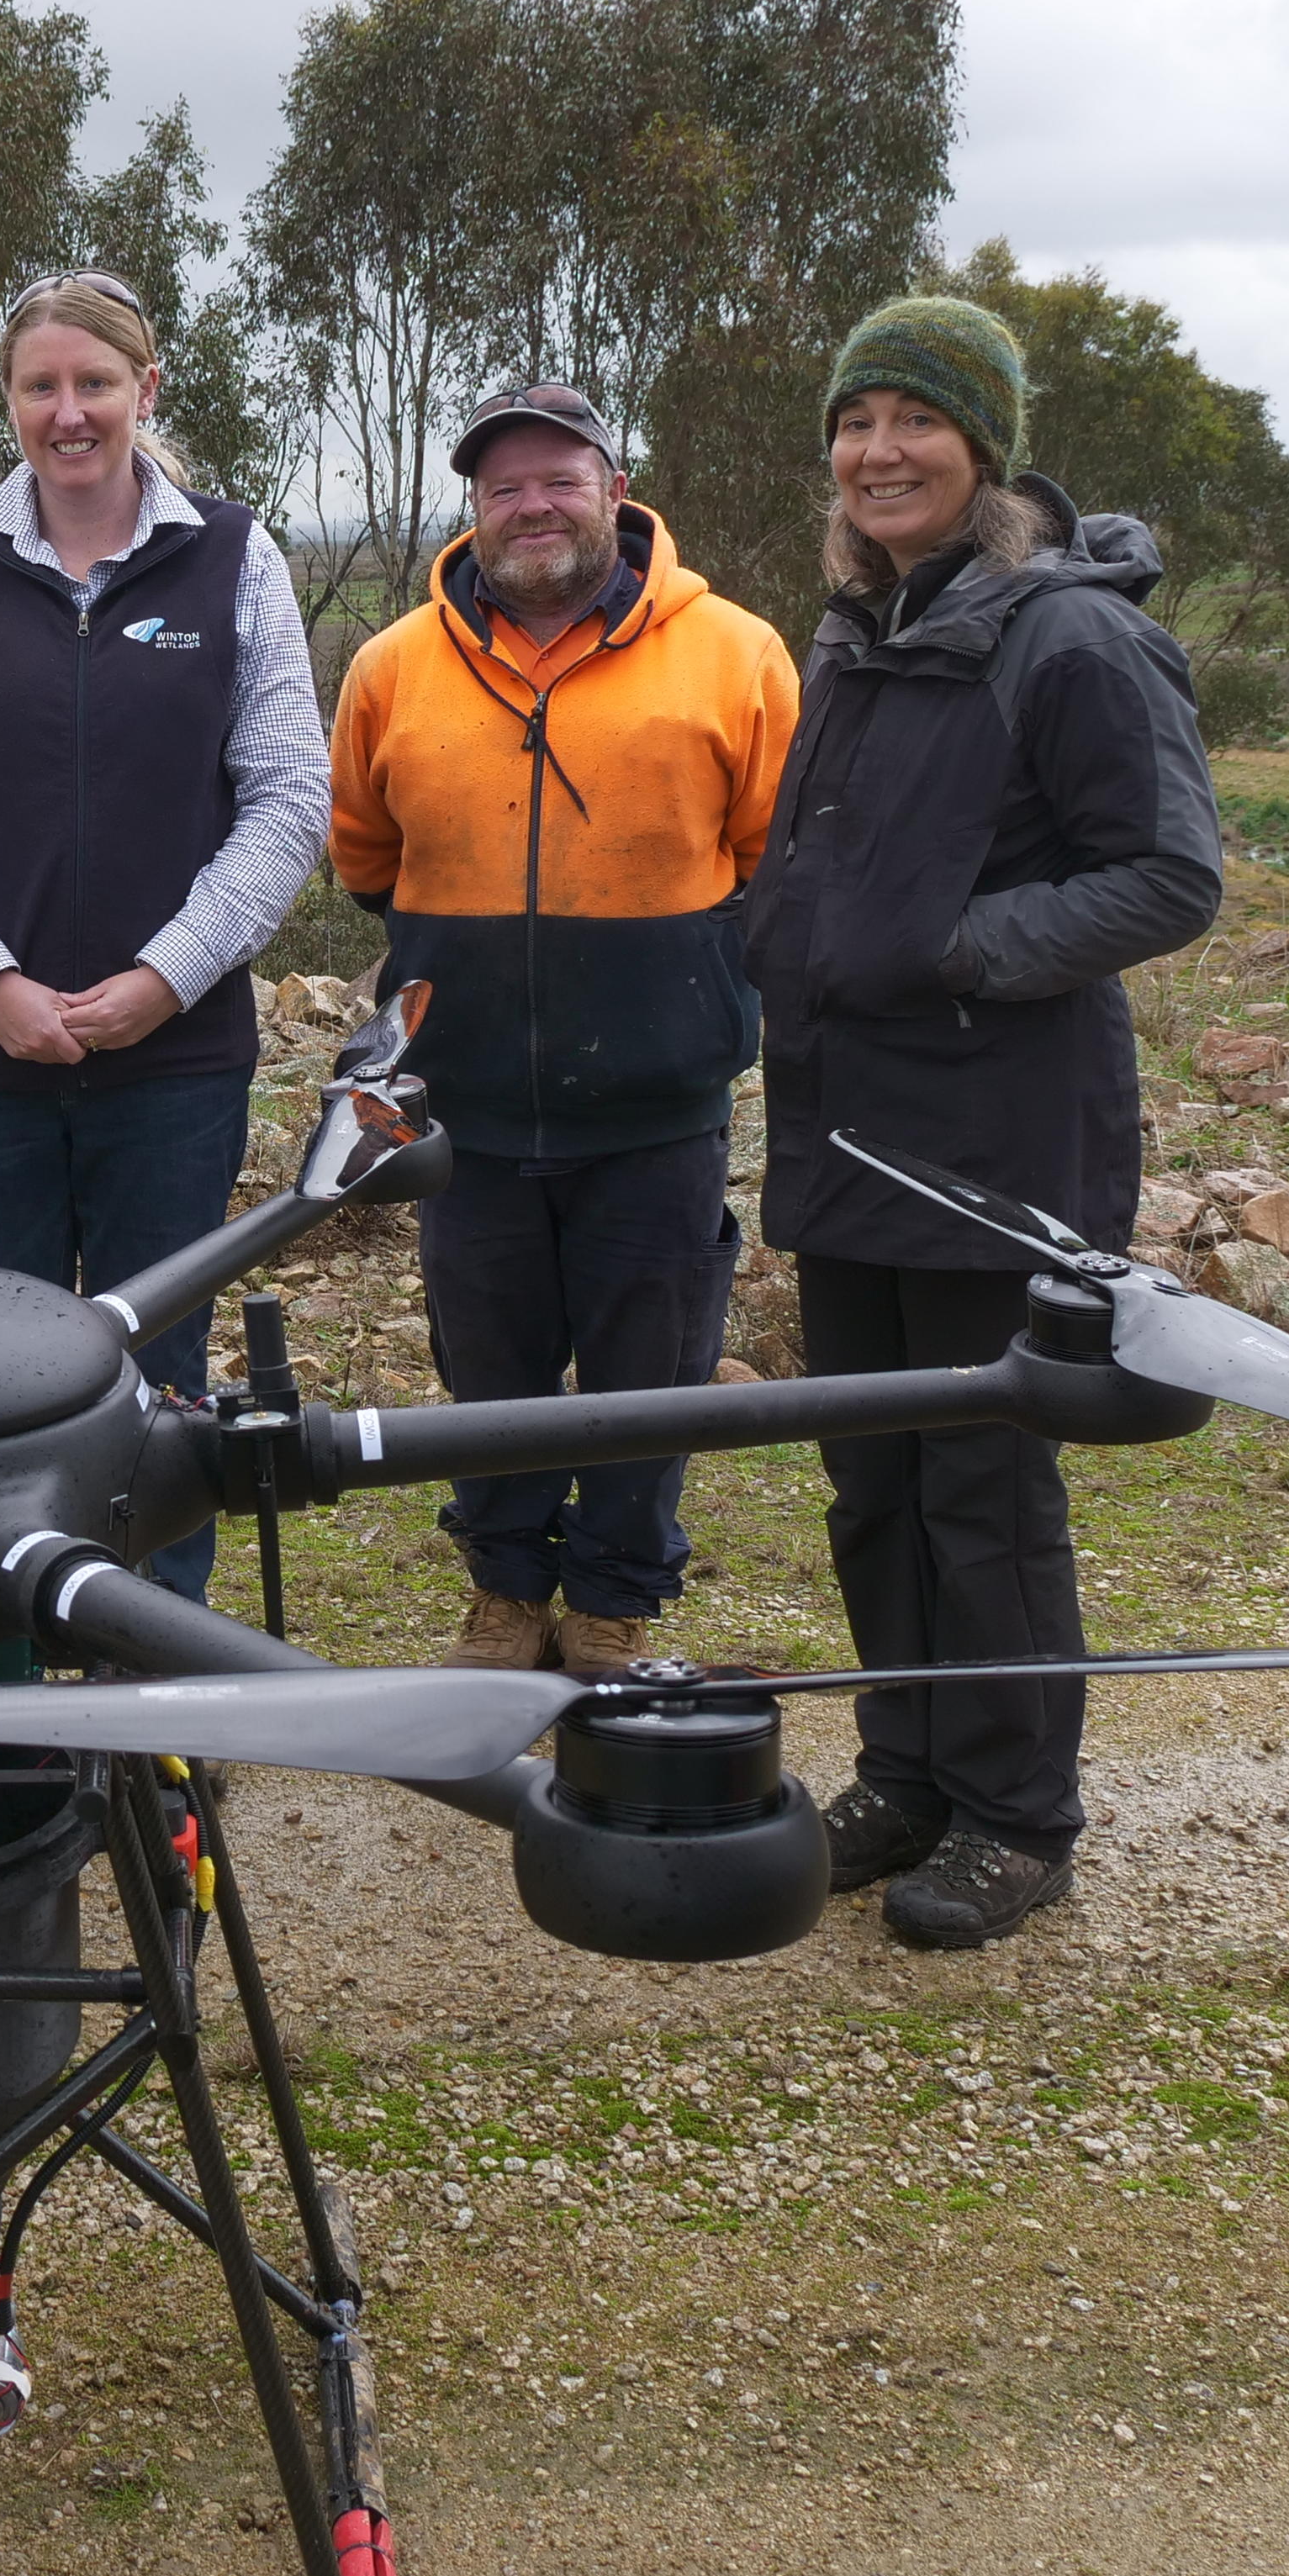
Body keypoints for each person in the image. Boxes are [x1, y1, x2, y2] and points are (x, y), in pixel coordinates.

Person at [747, 294, 1223, 1950]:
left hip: (997, 1141)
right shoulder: (858, 627)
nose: (878, 453)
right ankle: (909, 1773)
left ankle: (1018, 1814)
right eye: (855, 423)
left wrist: (958, 952)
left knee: (980, 1488)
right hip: (848, 1130)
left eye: (916, 423)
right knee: (871, 1481)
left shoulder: (1069, 636)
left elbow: (1167, 875)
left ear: (982, 449)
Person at [0, 270, 325, 1607]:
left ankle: (158, 1676)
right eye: (42, 386)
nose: (70, 413)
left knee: (161, 1386)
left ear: (145, 390)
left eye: (95, 384)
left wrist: (166, 980)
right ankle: (4, 1668)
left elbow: (291, 796)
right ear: (8, 399)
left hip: (171, 1073)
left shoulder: (235, 556)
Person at [326, 381, 799, 1674]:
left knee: (650, 1370)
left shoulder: (737, 653)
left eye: (558, 478)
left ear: (613, 486)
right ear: (472, 507)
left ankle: (614, 1602)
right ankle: (506, 1593)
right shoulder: (392, 667)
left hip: (659, 1105)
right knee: (490, 1369)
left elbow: (772, 859)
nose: (531, 505)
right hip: (463, 1110)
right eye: (502, 485)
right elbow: (365, 851)